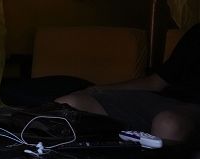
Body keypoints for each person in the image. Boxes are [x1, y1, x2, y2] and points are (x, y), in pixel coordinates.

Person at [55, 23, 200, 143]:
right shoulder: (196, 33)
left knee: (168, 123)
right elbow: (156, 82)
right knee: (69, 104)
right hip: (158, 100)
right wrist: (97, 89)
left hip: (191, 109)